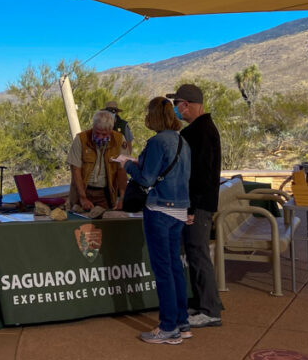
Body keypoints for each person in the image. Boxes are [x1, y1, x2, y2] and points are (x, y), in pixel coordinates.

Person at [116, 97, 191, 344]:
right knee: (175, 267)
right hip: (179, 209)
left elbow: (147, 179)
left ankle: (168, 326)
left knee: (163, 270)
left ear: (155, 116)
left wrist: (127, 165)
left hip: (159, 209)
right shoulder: (182, 142)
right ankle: (181, 322)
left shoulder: (157, 141)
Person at [169, 83, 224, 328]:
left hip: (197, 205)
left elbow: (199, 175)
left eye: (176, 105)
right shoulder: (204, 129)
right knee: (194, 253)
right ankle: (204, 302)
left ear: (186, 104)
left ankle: (210, 310)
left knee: (198, 253)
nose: (176, 110)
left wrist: (190, 208)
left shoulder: (197, 133)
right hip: (201, 203)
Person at [68, 110, 125, 211]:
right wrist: (82, 197)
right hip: (83, 191)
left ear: (111, 130)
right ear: (93, 127)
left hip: (105, 194)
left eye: (104, 134)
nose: (100, 137)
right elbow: (75, 169)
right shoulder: (81, 139)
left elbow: (122, 169)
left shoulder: (119, 140)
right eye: (97, 133)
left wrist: (122, 196)